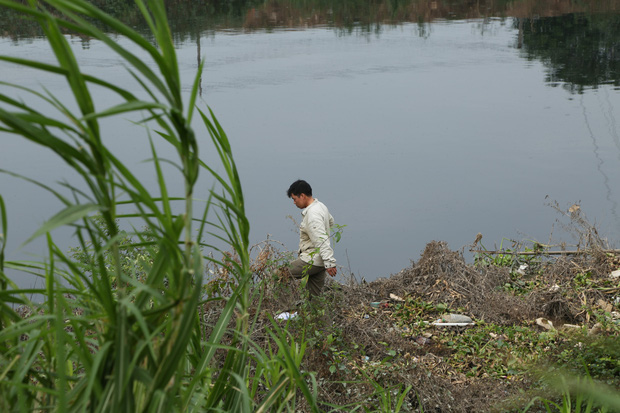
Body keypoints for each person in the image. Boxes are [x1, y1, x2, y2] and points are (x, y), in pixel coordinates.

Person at [286, 179, 337, 297]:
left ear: (302, 196)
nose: (294, 202)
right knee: (314, 299)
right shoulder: (321, 206)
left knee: (278, 275)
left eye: (295, 199)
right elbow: (331, 222)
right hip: (320, 263)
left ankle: (286, 311)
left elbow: (320, 239)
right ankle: (314, 315)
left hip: (311, 261)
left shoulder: (313, 214)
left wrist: (330, 262)